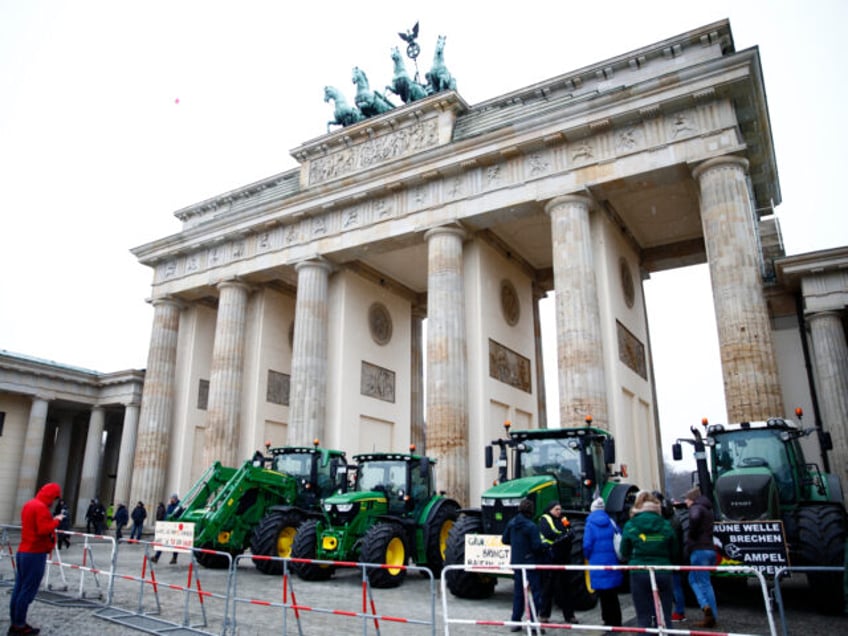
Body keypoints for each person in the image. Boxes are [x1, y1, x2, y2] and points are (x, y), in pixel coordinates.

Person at [9, 482, 64, 634]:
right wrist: (57, 520)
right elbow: (43, 529)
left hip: (23, 551)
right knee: (27, 590)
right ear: (52, 496)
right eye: (55, 499)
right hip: (35, 553)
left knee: (19, 588)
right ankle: (19, 626)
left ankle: (15, 622)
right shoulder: (41, 508)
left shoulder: (29, 505)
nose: (54, 502)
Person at [618, 491, 677, 629]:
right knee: (664, 615)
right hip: (663, 570)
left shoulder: (630, 525)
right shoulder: (666, 525)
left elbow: (624, 551)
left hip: (639, 571)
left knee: (644, 616)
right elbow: (674, 550)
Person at [501, 498, 545, 632]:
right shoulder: (531, 526)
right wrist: (545, 546)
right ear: (531, 511)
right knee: (536, 593)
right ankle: (532, 623)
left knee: (518, 594)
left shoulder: (512, 523)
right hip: (530, 563)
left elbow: (504, 539)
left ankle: (515, 621)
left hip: (516, 563)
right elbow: (536, 546)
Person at [583, 497, 623, 626]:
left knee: (603, 595)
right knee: (613, 594)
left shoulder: (590, 524)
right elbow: (619, 537)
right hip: (611, 561)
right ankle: (617, 620)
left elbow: (587, 545)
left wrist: (588, 557)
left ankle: (607, 620)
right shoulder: (611, 521)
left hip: (597, 563)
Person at [537, 500, 578, 624]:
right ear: (550, 510)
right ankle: (544, 615)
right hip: (551, 557)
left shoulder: (563, 519)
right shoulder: (545, 519)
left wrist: (568, 532)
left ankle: (569, 615)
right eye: (556, 509)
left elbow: (571, 530)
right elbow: (550, 534)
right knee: (548, 588)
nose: (559, 512)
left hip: (564, 557)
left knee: (566, 588)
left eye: (560, 509)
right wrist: (564, 535)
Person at [684, 486, 718, 628]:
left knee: (700, 582)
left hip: (699, 549)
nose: (685, 502)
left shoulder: (696, 508)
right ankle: (710, 611)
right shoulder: (708, 509)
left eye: (686, 499)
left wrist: (691, 535)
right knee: (698, 580)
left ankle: (707, 609)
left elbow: (694, 517)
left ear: (692, 499)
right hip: (709, 548)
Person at [151, 494, 181, 564]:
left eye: (172, 499)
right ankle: (156, 557)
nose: (171, 500)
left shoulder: (179, 506)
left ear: (175, 499)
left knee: (175, 544)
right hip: (167, 526)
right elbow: (167, 514)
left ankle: (174, 558)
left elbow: (174, 514)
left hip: (174, 527)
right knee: (162, 542)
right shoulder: (170, 505)